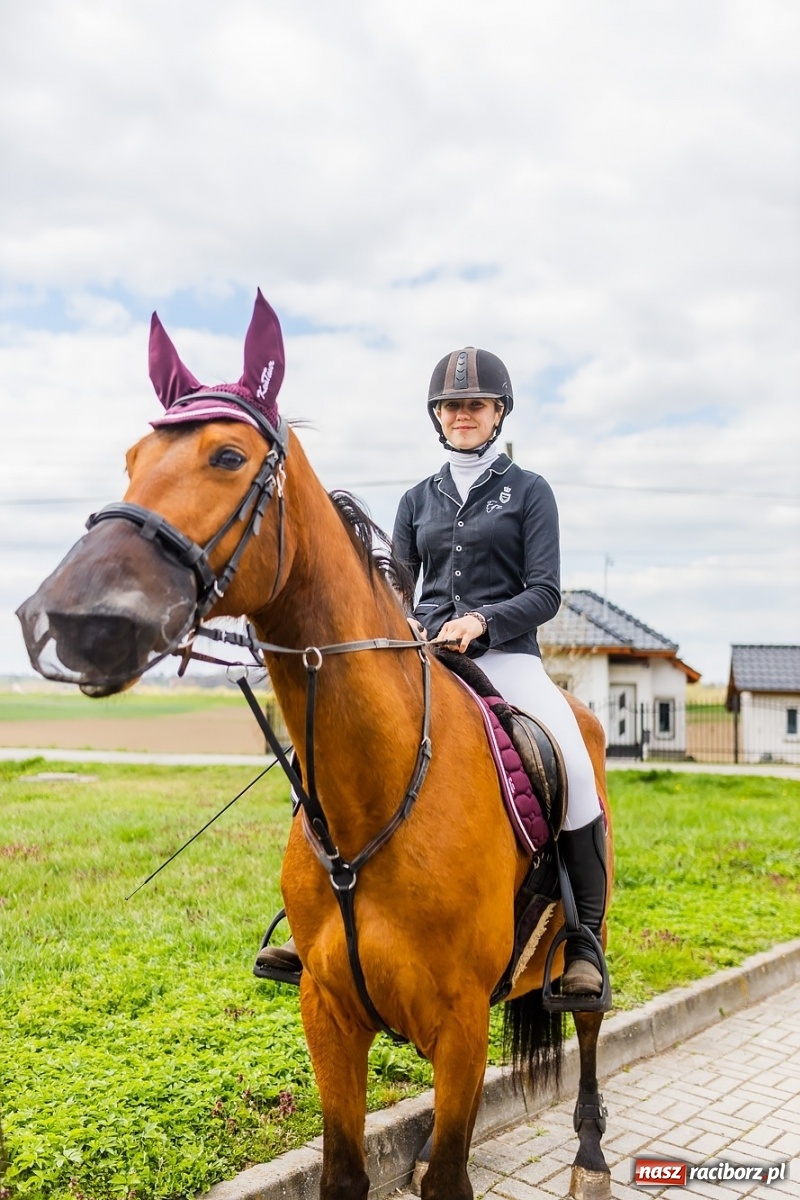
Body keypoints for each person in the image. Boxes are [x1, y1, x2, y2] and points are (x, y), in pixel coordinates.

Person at [256, 346, 608, 999]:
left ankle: (583, 938)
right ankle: (311, 917)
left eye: (475, 404)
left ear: (498, 413)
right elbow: (396, 588)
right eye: (451, 406)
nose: (462, 414)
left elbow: (545, 592)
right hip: (425, 658)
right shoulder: (418, 499)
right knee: (328, 759)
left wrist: (482, 622)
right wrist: (409, 626)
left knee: (577, 771)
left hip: (507, 659)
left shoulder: (530, 491)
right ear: (437, 416)